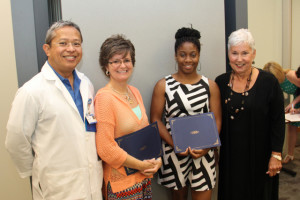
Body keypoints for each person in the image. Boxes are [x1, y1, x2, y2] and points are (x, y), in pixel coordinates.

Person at [5, 20, 103, 199]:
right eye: (63, 43)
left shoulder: (86, 84)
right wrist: (37, 171)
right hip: (57, 187)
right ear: (47, 49)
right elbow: (15, 139)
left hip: (91, 182)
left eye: (76, 44)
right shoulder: (31, 91)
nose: (71, 49)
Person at [150, 27, 222, 200]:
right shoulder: (163, 85)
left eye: (193, 54)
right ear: (176, 55)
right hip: (174, 154)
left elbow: (217, 121)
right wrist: (175, 143)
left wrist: (207, 146)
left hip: (204, 154)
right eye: (182, 54)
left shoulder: (210, 86)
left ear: (199, 55)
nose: (188, 60)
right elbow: (155, 120)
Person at [215, 29, 285, 200]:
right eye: (234, 53)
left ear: (254, 54)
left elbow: (278, 121)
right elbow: (214, 119)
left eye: (245, 53)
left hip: (261, 157)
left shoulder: (269, 82)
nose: (239, 59)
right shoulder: (220, 82)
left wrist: (276, 154)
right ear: (228, 54)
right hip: (231, 158)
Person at [95, 35, 162, 200]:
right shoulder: (104, 98)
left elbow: (146, 135)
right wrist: (140, 165)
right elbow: (106, 149)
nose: (122, 65)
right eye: (115, 61)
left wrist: (158, 159)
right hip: (122, 187)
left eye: (127, 60)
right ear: (106, 66)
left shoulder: (135, 92)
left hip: (143, 179)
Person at [263, 62, 300, 164]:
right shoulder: (277, 82)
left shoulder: (290, 76)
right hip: (297, 100)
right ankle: (290, 155)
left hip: (297, 100)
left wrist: (293, 103)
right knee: (292, 127)